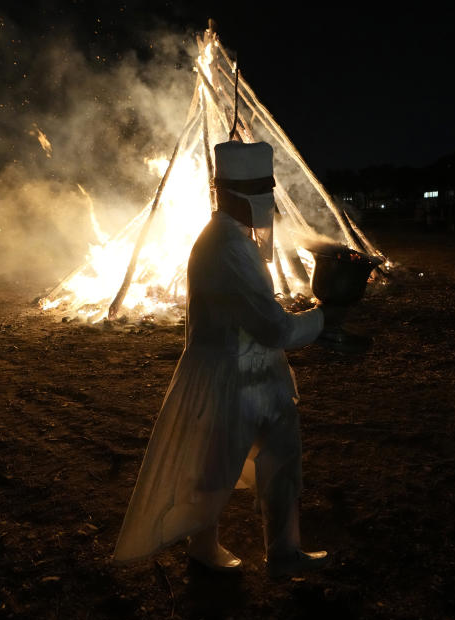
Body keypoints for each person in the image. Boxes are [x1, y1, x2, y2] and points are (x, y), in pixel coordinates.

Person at [112, 140, 331, 577]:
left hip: (261, 374)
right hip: (227, 377)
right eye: (260, 194)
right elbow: (273, 327)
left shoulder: (237, 240)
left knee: (283, 459)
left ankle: (284, 552)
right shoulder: (225, 248)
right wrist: (324, 318)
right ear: (237, 196)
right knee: (213, 468)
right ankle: (202, 547)